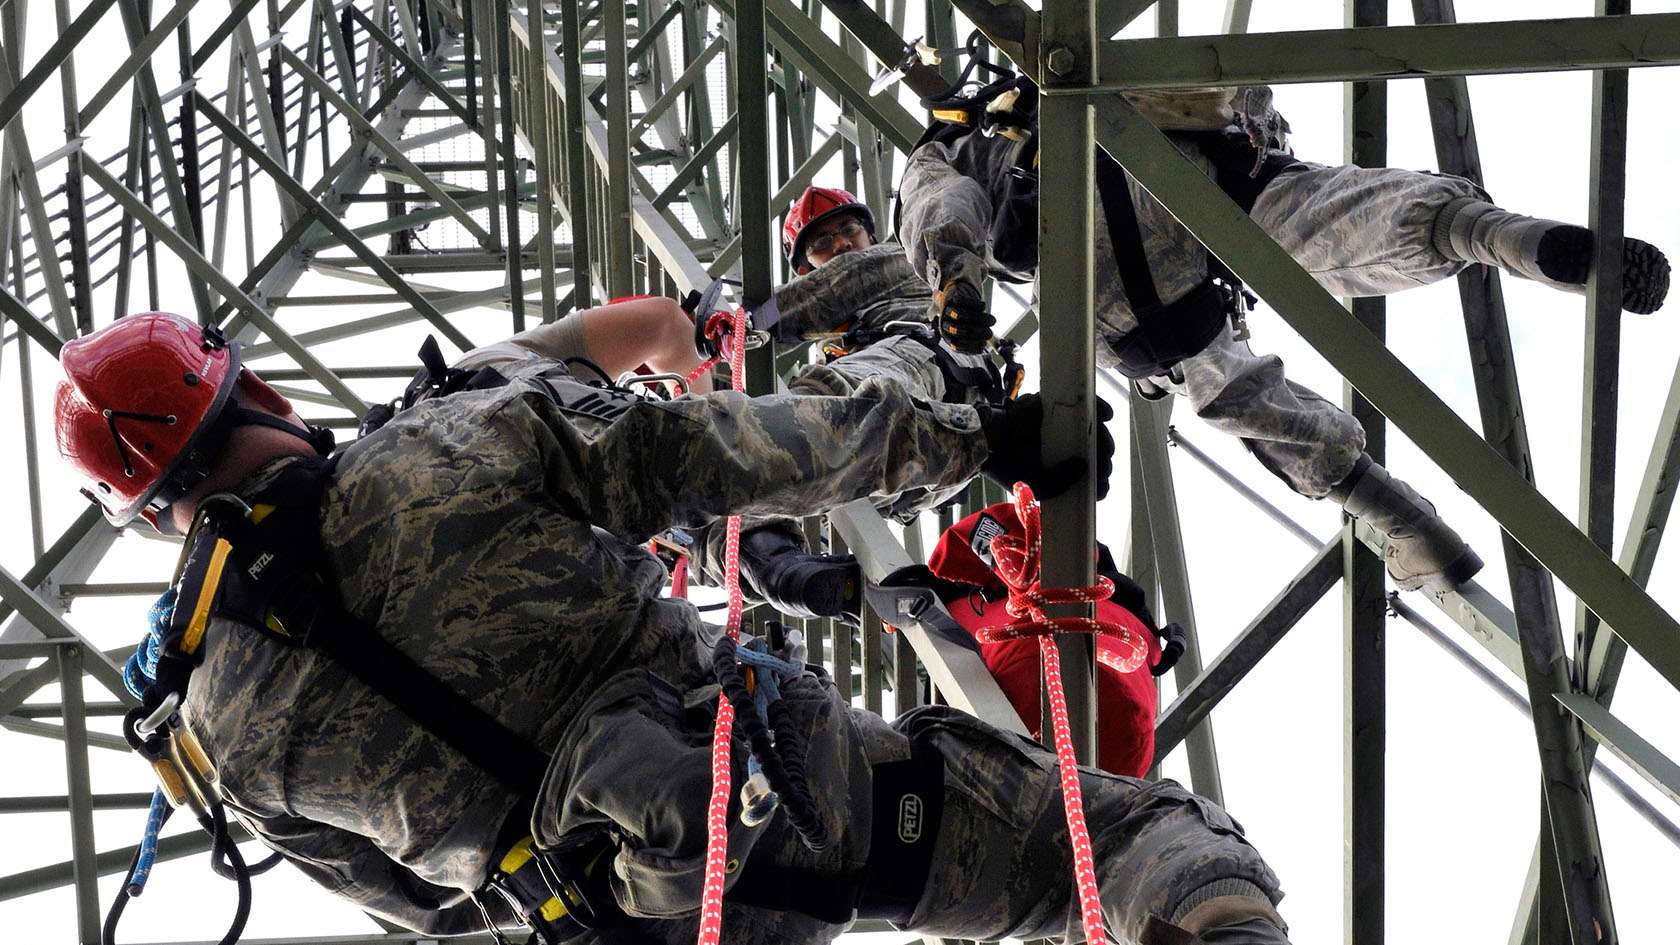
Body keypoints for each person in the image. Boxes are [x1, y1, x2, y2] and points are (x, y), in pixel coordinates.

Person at [59, 311, 1290, 945]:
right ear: (254, 389)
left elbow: (416, 910)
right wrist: (971, 438)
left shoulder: (217, 728)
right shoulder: (433, 447)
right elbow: (714, 451)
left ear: (155, 521)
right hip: (799, 802)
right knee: (1135, 845)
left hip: (609, 927)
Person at [896, 72, 1672, 593]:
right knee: (1324, 218)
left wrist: (954, 280)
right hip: (1180, 167)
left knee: (1218, 380)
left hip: (1070, 228)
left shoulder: (955, 137)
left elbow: (939, 203)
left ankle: (1394, 512)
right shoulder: (1081, 62)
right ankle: (1497, 235)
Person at [921, 501, 1181, 777]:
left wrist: (933, 587)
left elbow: (988, 534)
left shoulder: (1017, 576)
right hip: (1123, 747)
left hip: (1018, 685)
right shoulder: (1124, 618)